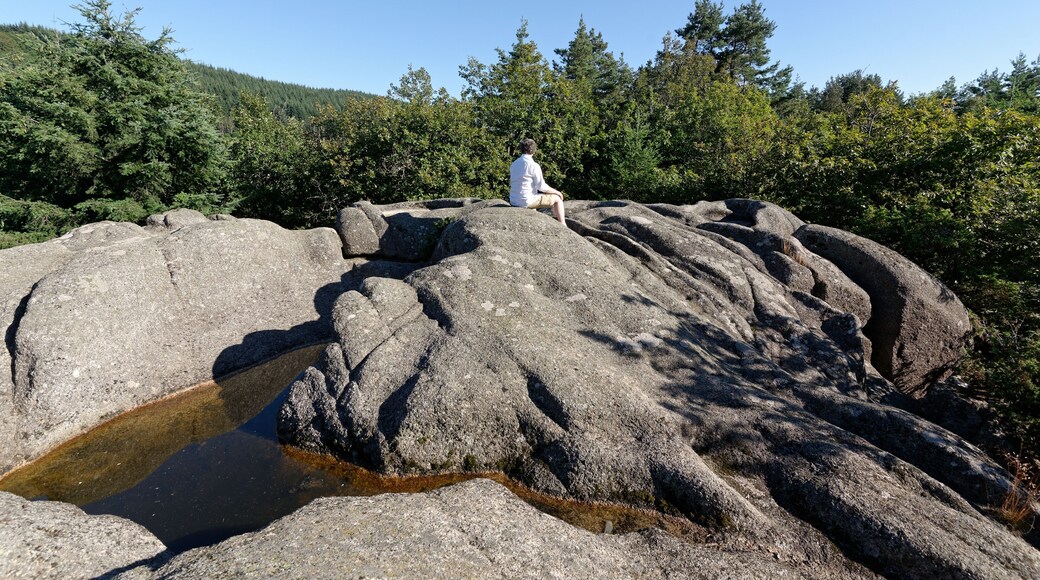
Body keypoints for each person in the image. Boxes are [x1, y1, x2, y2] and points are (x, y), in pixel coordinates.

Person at [509, 138, 566, 225]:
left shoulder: (514, 164)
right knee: (557, 199)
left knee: (534, 205)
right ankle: (563, 225)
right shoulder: (533, 165)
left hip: (514, 200)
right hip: (526, 201)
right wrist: (558, 192)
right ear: (534, 151)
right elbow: (541, 187)